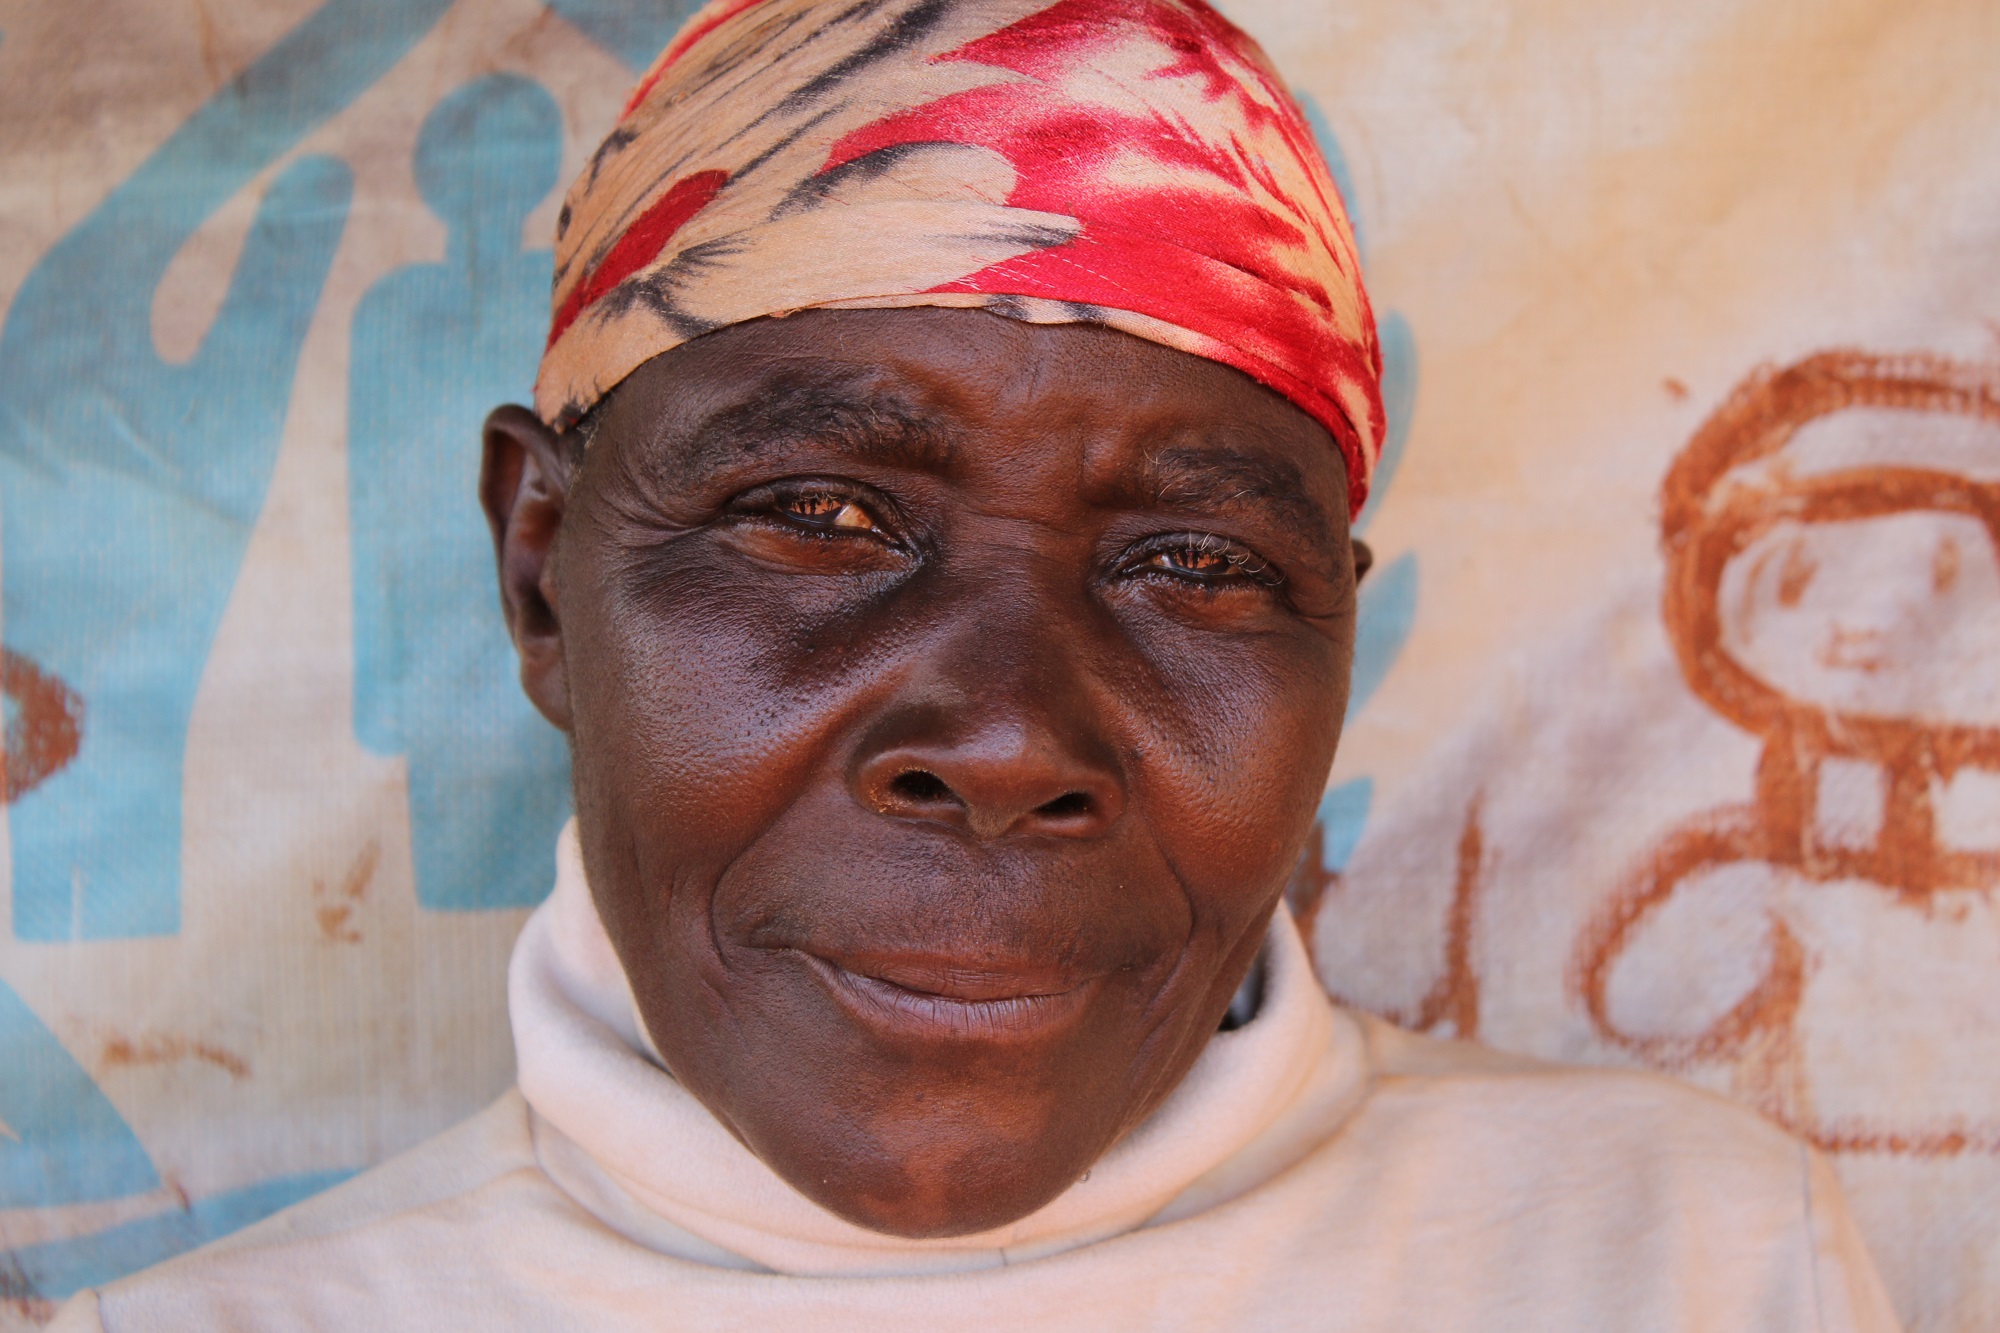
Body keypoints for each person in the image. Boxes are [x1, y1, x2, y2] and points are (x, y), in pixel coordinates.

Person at [52, 0, 1899, 1326]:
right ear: (543, 573)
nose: (1011, 733)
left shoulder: (1684, 1264)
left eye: (1194, 563)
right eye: (822, 518)